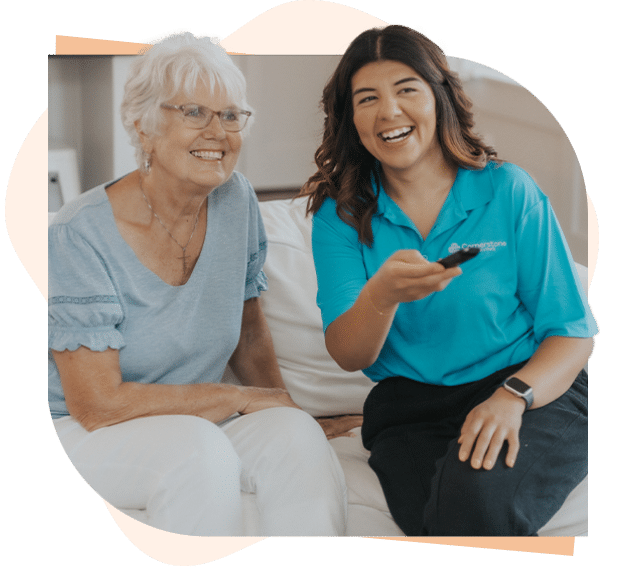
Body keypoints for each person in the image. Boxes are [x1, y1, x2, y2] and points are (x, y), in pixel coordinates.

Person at [48, 32, 348, 537]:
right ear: (144, 127)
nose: (218, 131)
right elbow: (97, 404)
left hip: (198, 417)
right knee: (196, 452)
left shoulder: (236, 200)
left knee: (296, 435)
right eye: (194, 112)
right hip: (86, 429)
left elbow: (250, 331)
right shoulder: (78, 233)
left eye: (231, 115)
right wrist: (234, 398)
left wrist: (283, 403)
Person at [301, 24, 597, 536]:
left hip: (525, 387)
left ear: (439, 97)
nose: (389, 112)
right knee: (445, 520)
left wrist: (511, 396)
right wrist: (381, 298)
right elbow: (350, 355)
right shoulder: (341, 215)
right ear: (351, 118)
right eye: (367, 98)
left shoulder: (508, 190)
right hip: (409, 411)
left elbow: (573, 331)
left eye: (407, 90)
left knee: (475, 502)